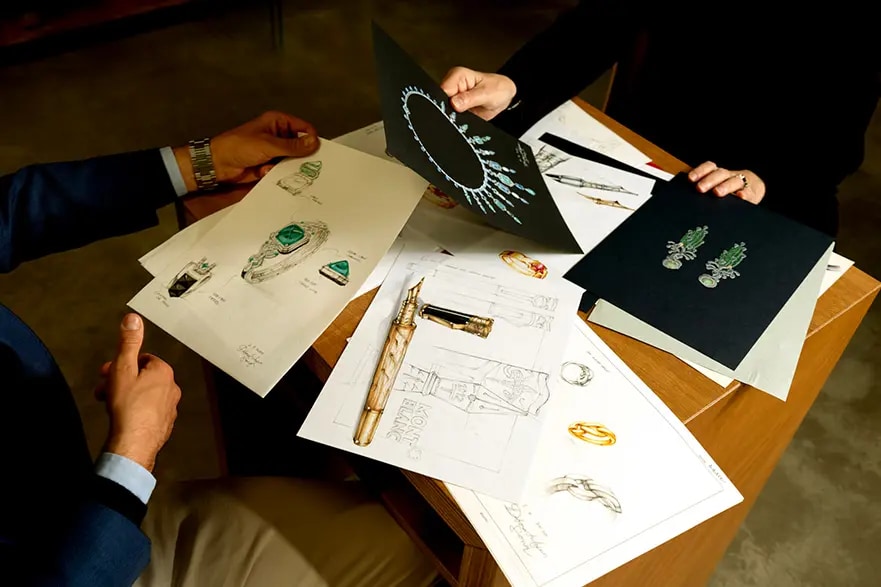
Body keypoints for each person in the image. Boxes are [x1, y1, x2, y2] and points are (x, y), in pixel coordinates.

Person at [0, 111, 435, 586]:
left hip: (61, 505)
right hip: (79, 561)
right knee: (416, 548)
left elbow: (9, 211)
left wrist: (199, 163)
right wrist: (132, 455)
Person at [440, 1, 879, 237]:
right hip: (641, 156)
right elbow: (599, 23)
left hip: (772, 190)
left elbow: (835, 143)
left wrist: (762, 180)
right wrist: (515, 84)